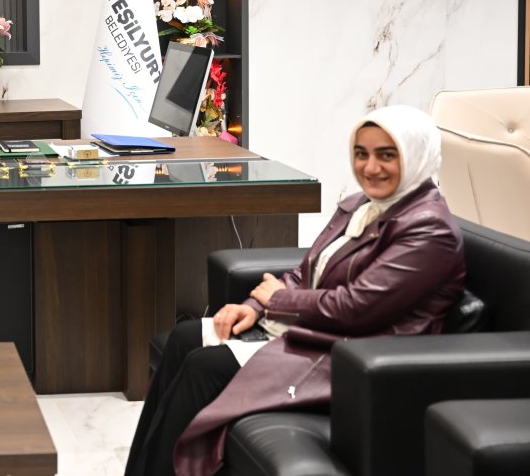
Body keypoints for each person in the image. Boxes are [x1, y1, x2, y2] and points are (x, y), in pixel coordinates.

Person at [125, 104, 465, 476]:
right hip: (312, 329)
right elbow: (306, 272)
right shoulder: (362, 205)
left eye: (387, 155)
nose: (370, 168)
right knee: (183, 339)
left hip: (352, 355)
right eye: (361, 153)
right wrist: (253, 306)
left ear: (416, 156)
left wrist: (277, 300)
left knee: (204, 367)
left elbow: (359, 308)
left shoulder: (429, 230)